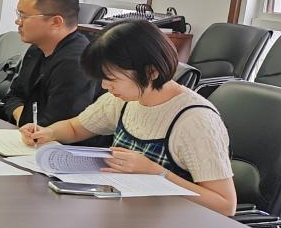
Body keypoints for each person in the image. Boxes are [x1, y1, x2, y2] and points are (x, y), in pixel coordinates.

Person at [21, 18, 237, 217]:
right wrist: (48, 132)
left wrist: (157, 173)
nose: (105, 86)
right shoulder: (124, 99)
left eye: (112, 79)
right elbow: (76, 128)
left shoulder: (195, 121)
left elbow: (225, 204)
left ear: (151, 72)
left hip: (172, 227)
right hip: (126, 215)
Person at [3, 0, 100, 129]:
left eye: (24, 16)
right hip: (30, 133)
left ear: (56, 22)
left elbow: (60, 124)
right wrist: (24, 121)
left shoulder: (76, 63)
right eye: (18, 14)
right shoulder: (37, 49)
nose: (18, 22)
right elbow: (14, 96)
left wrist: (29, 126)